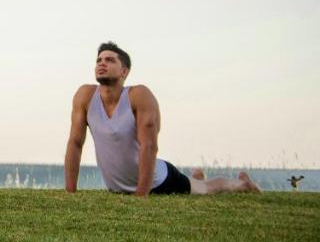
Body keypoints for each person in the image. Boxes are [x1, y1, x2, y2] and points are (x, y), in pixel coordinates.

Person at [64, 41, 260, 196]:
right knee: (196, 183)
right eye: (99, 60)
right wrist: (70, 192)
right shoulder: (85, 96)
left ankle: (242, 183)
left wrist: (141, 195)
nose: (102, 63)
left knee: (205, 189)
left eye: (109, 60)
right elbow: (75, 143)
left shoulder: (138, 96)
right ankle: (196, 177)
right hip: (118, 188)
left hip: (159, 181)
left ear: (125, 71)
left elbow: (149, 146)